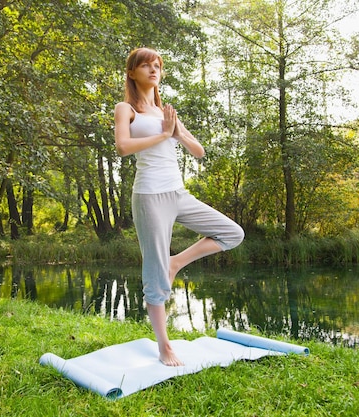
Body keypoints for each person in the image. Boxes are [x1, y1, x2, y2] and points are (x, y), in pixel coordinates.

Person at [114, 47, 244, 366]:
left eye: (157, 65)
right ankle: (164, 346)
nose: (153, 70)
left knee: (232, 233)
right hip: (149, 197)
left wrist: (177, 132)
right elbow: (122, 146)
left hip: (178, 193)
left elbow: (198, 151)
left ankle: (176, 263)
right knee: (154, 273)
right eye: (145, 65)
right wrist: (162, 136)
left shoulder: (166, 113)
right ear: (133, 73)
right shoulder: (126, 108)